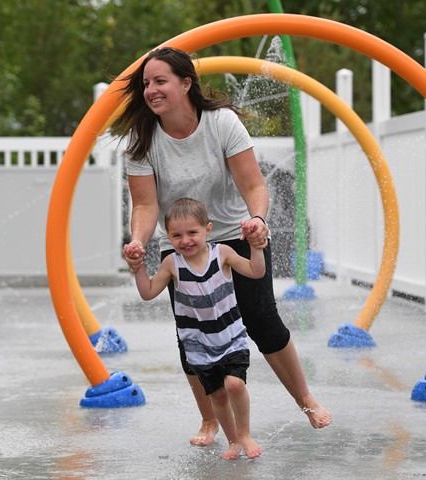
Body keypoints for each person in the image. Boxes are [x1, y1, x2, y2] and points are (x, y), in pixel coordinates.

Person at [112, 46, 331, 446]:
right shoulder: (141, 139)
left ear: (185, 83)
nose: (151, 90)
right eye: (146, 83)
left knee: (261, 319)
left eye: (160, 81)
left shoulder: (221, 123)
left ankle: (305, 399)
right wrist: (138, 242)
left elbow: (253, 184)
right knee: (194, 334)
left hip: (231, 231)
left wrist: (258, 222)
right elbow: (145, 204)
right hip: (180, 244)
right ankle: (210, 421)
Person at [128, 198, 264, 460]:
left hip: (230, 336)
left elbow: (255, 272)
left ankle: (244, 433)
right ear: (168, 237)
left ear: (207, 229)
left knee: (235, 385)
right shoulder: (172, 264)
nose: (186, 240)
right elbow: (148, 292)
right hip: (199, 346)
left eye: (192, 232)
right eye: (177, 235)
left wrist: (256, 248)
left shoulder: (222, 253)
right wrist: (139, 269)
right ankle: (233, 441)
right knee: (218, 395)